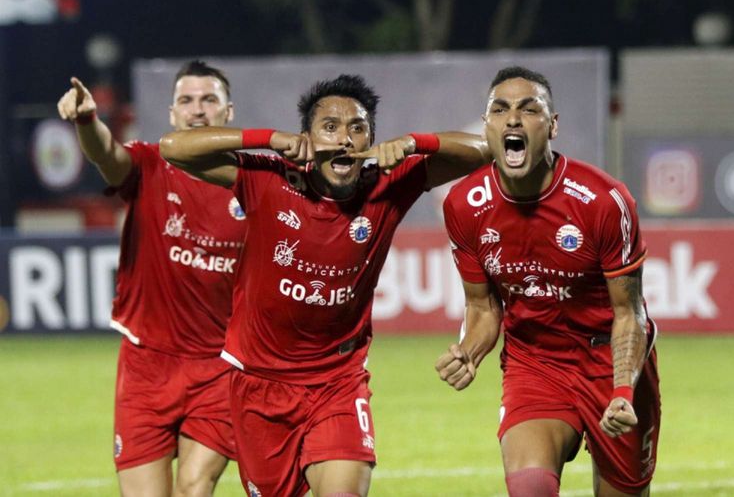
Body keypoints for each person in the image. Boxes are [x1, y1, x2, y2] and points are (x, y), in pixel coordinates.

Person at [159, 73, 489, 497]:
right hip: (258, 384)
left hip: (338, 382)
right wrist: (270, 138)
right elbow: (173, 148)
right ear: (308, 138)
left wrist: (412, 143)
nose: (345, 139)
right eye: (330, 127)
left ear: (372, 137)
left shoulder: (389, 183)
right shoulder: (268, 177)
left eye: (358, 127)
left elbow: (481, 151)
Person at [435, 66, 660, 496]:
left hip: (609, 360)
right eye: (500, 110)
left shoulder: (603, 201)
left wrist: (622, 389)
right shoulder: (465, 205)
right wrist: (468, 352)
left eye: (529, 109)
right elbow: (483, 308)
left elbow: (629, 313)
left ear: (552, 126)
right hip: (535, 362)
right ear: (488, 127)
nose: (513, 119)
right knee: (530, 487)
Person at [57, 60, 244, 497]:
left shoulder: (253, 183)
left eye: (209, 99)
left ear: (228, 112)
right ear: (172, 113)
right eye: (187, 100)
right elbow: (107, 153)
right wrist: (87, 120)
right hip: (147, 367)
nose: (198, 110)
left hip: (221, 367)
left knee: (194, 488)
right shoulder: (149, 165)